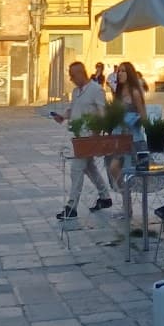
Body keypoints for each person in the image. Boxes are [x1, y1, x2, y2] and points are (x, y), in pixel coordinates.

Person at [51, 61, 115, 221]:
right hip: (78, 136)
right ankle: (105, 196)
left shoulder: (96, 90)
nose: (71, 79)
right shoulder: (75, 91)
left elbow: (102, 112)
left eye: (73, 75)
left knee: (76, 169)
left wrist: (97, 131)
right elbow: (73, 108)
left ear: (81, 73)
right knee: (89, 168)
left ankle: (71, 207)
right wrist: (63, 116)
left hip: (89, 137)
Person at [109, 61, 149, 190]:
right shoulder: (118, 93)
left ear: (129, 74)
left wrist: (134, 120)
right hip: (119, 136)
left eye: (123, 71)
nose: (119, 74)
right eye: (119, 71)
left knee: (133, 172)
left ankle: (128, 202)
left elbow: (144, 116)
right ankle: (126, 197)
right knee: (114, 168)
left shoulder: (135, 93)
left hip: (133, 138)